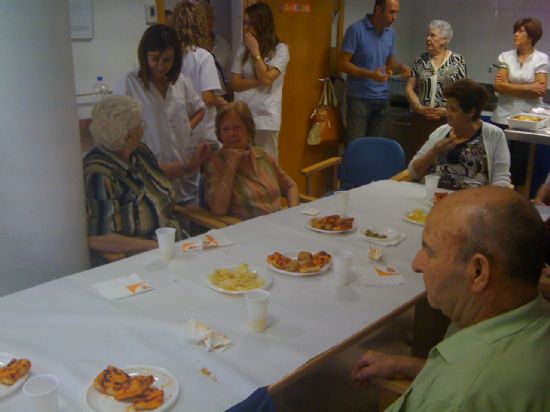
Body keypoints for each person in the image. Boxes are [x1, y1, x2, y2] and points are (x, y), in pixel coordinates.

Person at [351, 186, 550, 411]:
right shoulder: (531, 318)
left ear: (478, 272)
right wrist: (411, 366)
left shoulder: (454, 400)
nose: (417, 265)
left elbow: (465, 388)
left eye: (430, 252)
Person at [84, 96, 208, 258]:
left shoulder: (138, 151)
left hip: (175, 245)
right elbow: (100, 238)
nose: (143, 128)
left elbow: (156, 175)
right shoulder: (99, 173)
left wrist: (189, 165)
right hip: (144, 256)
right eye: (140, 125)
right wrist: (156, 246)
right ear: (126, 134)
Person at [113, 24, 207, 204]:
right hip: (150, 176)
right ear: (144, 55)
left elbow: (200, 109)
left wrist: (187, 127)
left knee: (187, 224)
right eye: (155, 59)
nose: (161, 66)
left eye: (167, 60)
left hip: (183, 174)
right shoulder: (129, 83)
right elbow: (117, 129)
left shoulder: (179, 81)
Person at [408, 79, 511, 189]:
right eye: (447, 107)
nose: (448, 113)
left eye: (453, 109)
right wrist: (434, 151)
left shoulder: (494, 134)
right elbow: (414, 172)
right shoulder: (442, 132)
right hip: (434, 195)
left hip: (472, 201)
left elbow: (501, 180)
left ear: (471, 112)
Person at [205, 101, 299, 220]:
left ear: (249, 129)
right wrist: (231, 165)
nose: (231, 133)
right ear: (219, 134)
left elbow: (291, 186)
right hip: (244, 231)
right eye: (225, 129)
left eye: (237, 127)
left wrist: (292, 213)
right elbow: (218, 209)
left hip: (278, 224)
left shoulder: (263, 155)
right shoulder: (215, 162)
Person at [338, 0, 411, 143]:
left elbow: (390, 65)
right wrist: (370, 74)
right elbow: (342, 64)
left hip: (383, 99)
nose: (394, 17)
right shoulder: (356, 30)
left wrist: (401, 67)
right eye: (391, 12)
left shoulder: (391, 33)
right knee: (355, 146)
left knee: (375, 147)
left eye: (396, 13)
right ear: (378, 10)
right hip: (359, 99)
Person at [492, 17, 548, 187]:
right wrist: (528, 88)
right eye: (515, 31)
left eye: (520, 31)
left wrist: (510, 85)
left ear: (531, 36)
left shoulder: (541, 58)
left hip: (527, 121)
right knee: (499, 164)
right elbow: (499, 86)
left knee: (520, 166)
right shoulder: (505, 56)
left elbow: (541, 89)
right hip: (502, 117)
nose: (515, 34)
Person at [231, 2, 289, 161]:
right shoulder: (242, 49)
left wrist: (256, 51)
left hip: (266, 119)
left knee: (267, 167)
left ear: (261, 23)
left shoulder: (281, 49)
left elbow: (267, 78)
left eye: (249, 23)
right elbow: (235, 83)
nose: (245, 28)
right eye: (244, 23)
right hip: (243, 115)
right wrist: (258, 81)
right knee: (243, 164)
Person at [405, 20, 467, 148]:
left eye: (432, 35)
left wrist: (447, 111)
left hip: (447, 122)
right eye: (427, 35)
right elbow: (409, 88)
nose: (428, 39)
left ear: (444, 40)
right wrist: (419, 108)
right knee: (419, 158)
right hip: (421, 120)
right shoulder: (420, 60)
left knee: (443, 159)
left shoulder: (457, 61)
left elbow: (464, 93)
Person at [173, 0, 226, 150]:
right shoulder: (203, 56)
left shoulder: (170, 56)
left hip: (180, 129)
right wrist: (220, 100)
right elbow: (207, 98)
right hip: (203, 131)